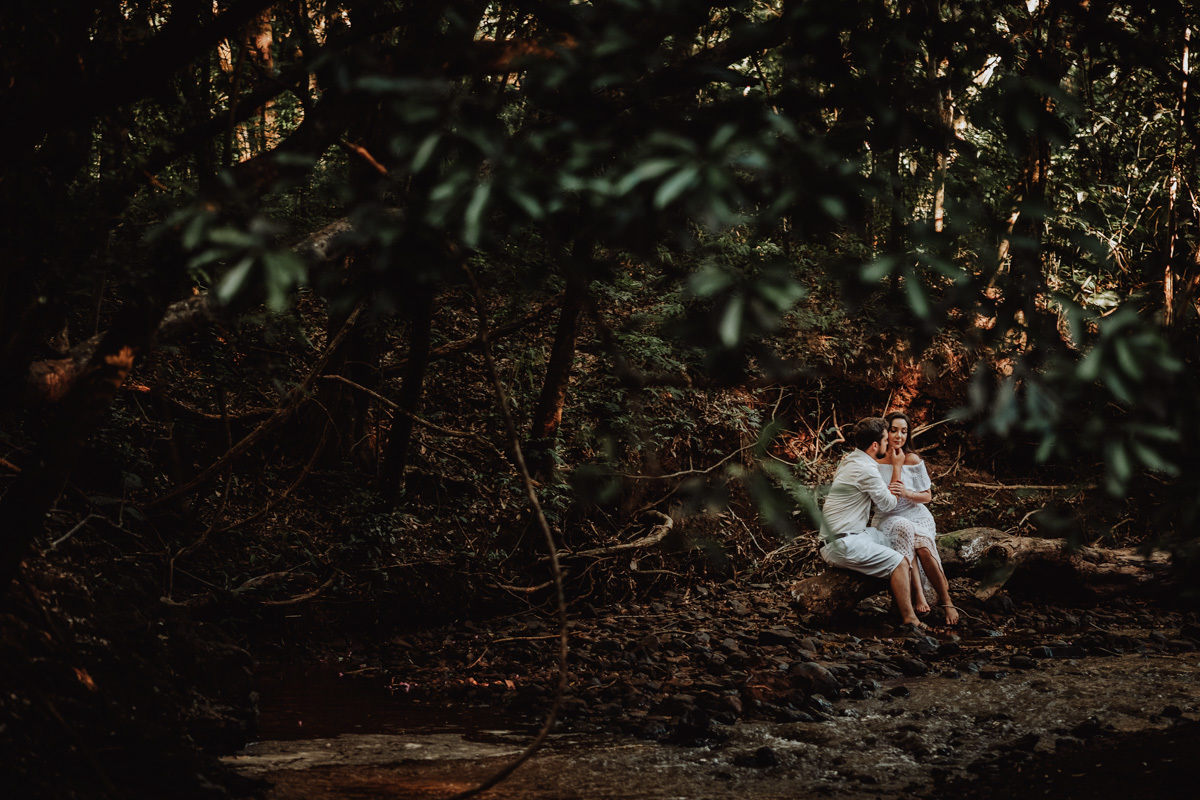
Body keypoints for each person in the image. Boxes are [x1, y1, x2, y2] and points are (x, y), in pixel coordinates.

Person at [818, 416, 925, 630]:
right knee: (899, 562)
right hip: (842, 543)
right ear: (875, 445)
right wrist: (896, 467)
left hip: (850, 535)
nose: (889, 442)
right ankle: (910, 618)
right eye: (886, 439)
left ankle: (904, 602)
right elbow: (888, 504)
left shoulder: (852, 460)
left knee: (898, 544)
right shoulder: (866, 470)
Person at [870, 411, 959, 627]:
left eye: (904, 431)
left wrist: (908, 493)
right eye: (893, 430)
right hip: (888, 517)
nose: (899, 436)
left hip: (917, 514)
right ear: (885, 432)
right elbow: (882, 500)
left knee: (924, 549)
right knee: (903, 528)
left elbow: (927, 496)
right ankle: (916, 595)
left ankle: (947, 601)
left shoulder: (913, 459)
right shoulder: (875, 460)